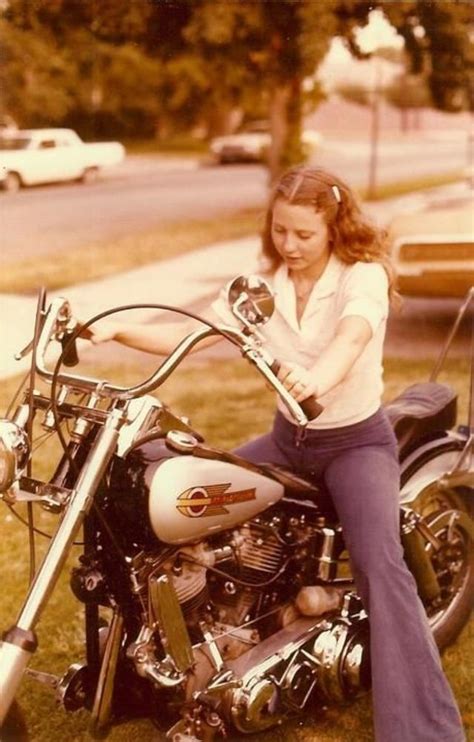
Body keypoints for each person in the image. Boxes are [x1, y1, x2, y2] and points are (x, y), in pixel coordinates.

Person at [83, 166, 465, 742]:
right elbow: (188, 334)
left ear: (334, 227)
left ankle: (426, 729)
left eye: (303, 235)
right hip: (288, 440)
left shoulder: (360, 278)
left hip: (354, 443)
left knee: (382, 570)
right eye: (280, 231)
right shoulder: (258, 293)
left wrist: (315, 378)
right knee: (193, 515)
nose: (289, 245)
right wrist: (113, 332)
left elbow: (352, 339)